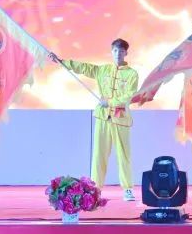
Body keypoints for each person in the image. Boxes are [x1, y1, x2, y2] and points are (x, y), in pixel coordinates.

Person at [50, 38, 140, 201]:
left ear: (126, 53)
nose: (118, 54)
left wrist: (110, 102)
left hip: (120, 119)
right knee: (99, 154)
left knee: (124, 155)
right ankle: (95, 189)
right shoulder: (103, 70)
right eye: (115, 50)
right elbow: (84, 68)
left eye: (121, 51)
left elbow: (130, 96)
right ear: (111, 52)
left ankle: (127, 189)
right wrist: (62, 62)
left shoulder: (132, 74)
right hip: (103, 117)